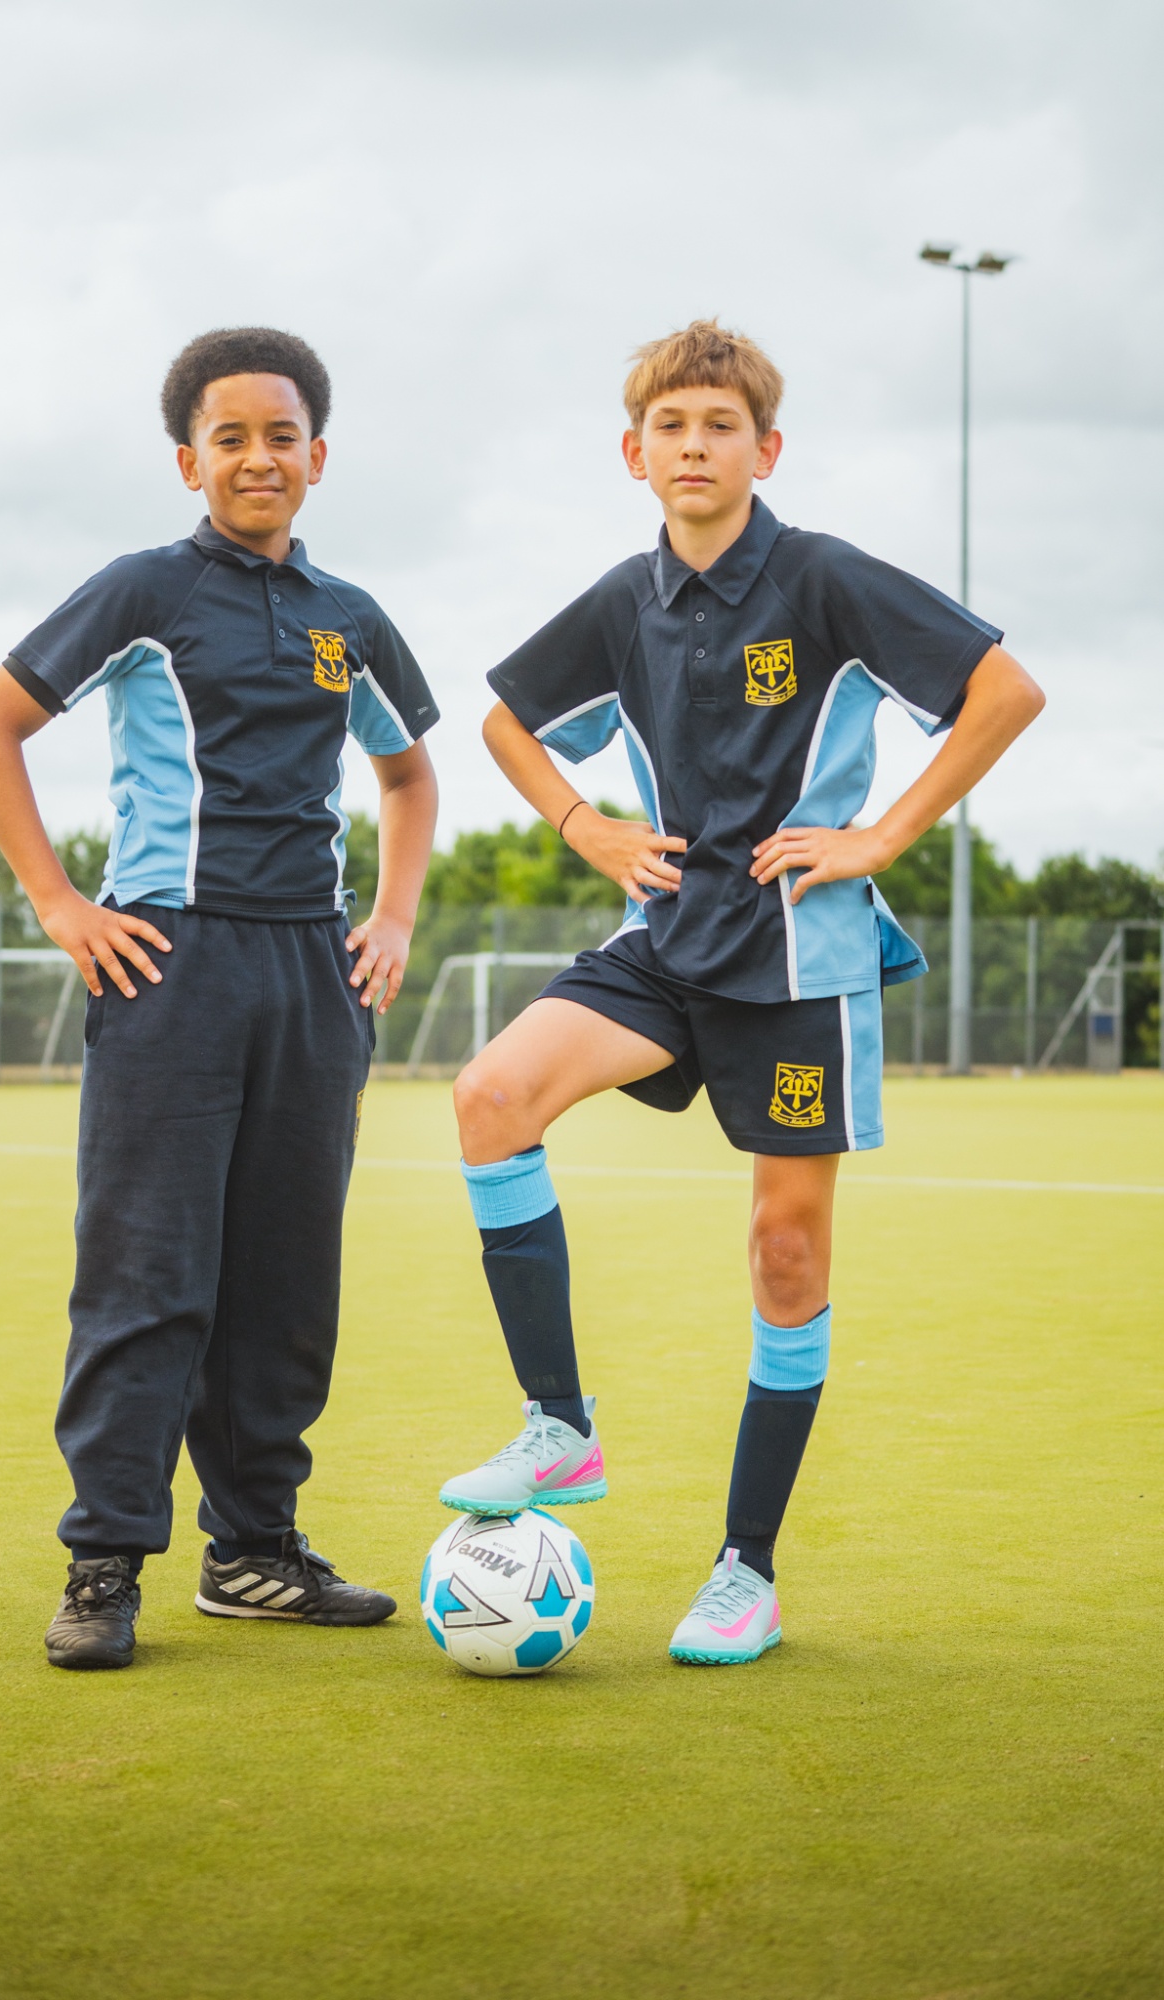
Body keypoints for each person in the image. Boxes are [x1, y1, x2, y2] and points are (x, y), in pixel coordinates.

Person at [442, 319, 1043, 1664]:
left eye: (719, 426)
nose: (694, 446)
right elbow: (501, 721)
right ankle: (561, 1429)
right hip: (661, 936)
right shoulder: (621, 599)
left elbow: (1004, 690)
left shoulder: (824, 580)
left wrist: (882, 836)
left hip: (797, 961)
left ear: (764, 448)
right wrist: (578, 822)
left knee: (783, 1255)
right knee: (490, 1096)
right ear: (632, 452)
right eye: (670, 427)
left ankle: (744, 1571)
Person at [0, 326, 439, 1669]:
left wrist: (390, 919)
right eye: (228, 438)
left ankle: (256, 1554)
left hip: (311, 972)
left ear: (317, 457)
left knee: (285, 1278)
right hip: (167, 962)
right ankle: (104, 1561)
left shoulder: (351, 619)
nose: (256, 457)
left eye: (280, 435)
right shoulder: (141, 592)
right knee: (149, 1274)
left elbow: (408, 777)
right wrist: (61, 904)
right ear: (190, 460)